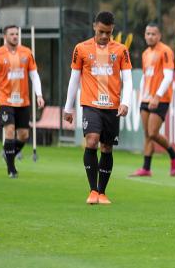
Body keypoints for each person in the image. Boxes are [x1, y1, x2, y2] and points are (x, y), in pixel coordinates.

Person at [63, 11, 133, 205]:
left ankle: (102, 192)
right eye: (101, 31)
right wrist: (68, 108)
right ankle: (93, 190)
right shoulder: (81, 48)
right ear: (94, 26)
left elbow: (127, 79)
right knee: (92, 141)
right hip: (90, 104)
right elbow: (74, 78)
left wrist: (125, 102)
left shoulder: (120, 50)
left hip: (112, 106)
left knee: (107, 147)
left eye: (108, 33)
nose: (104, 36)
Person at [0, 25, 45, 178]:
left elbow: (34, 75)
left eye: (16, 34)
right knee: (9, 130)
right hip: (4, 99)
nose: (15, 36)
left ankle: (8, 155)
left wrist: (39, 95)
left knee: (23, 135)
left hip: (23, 101)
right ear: (4, 36)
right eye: (12, 34)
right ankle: (11, 168)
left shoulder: (27, 52)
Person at [130, 23, 175, 177]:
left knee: (153, 132)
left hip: (160, 98)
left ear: (159, 36)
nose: (150, 36)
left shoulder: (165, 51)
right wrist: (141, 92)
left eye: (153, 34)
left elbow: (168, 76)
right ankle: (146, 168)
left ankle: (173, 155)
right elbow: (146, 76)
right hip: (146, 98)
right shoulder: (145, 54)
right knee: (147, 134)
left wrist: (157, 96)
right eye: (148, 33)